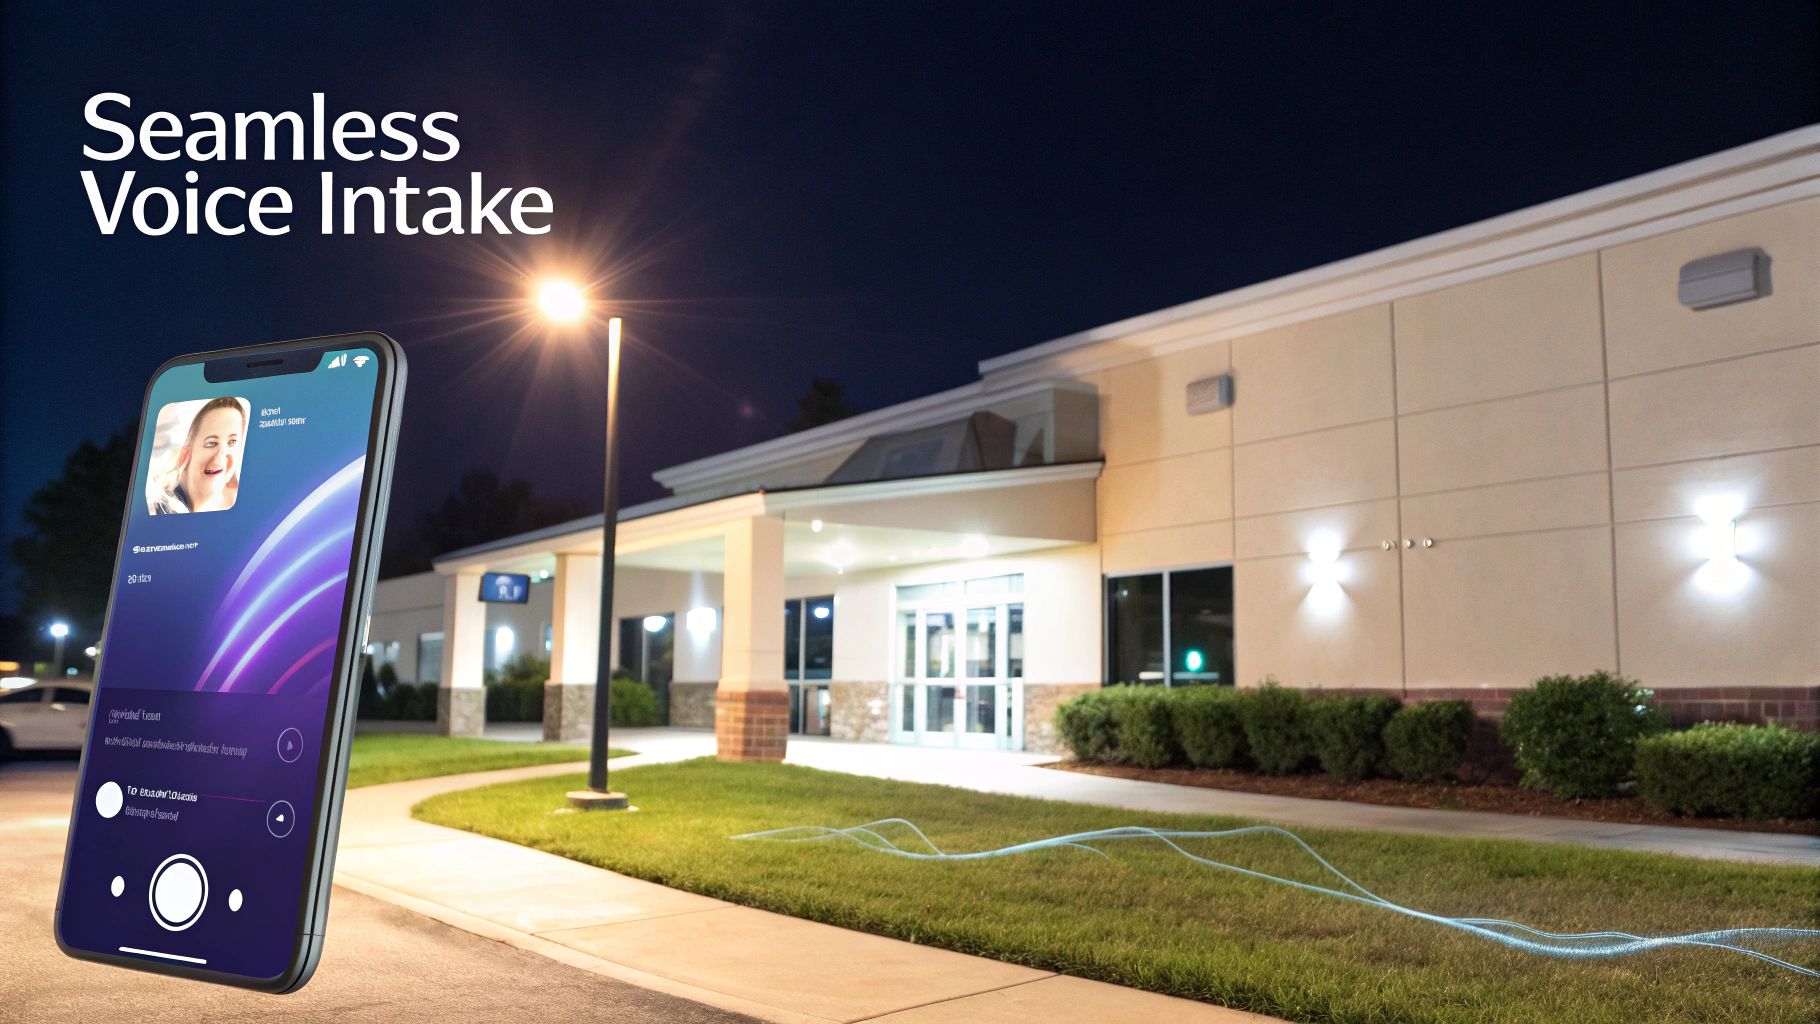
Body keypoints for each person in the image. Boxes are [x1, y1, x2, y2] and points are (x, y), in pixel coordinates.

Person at [148, 398, 246, 514]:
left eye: (232, 442)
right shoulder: (158, 507)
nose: (221, 457)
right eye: (211, 443)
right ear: (184, 455)